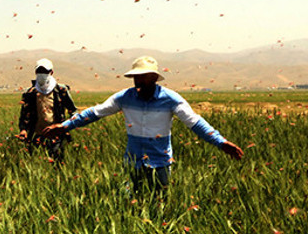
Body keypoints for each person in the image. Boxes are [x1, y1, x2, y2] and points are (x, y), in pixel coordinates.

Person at [42, 56, 243, 194]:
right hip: (133, 163)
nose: (137, 80)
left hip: (161, 163)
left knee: (160, 203)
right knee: (131, 203)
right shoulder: (125, 97)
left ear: (154, 77)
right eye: (136, 76)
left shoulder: (171, 99)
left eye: (143, 76)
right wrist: (66, 126)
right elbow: (96, 112)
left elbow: (194, 122)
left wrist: (220, 142)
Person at [17, 58, 78, 162]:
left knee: (56, 163)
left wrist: (70, 123)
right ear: (35, 72)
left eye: (45, 71)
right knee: (36, 163)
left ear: (51, 72)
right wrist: (23, 130)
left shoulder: (60, 90)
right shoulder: (30, 92)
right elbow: (24, 114)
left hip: (56, 135)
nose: (42, 74)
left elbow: (73, 110)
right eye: (40, 71)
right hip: (36, 135)